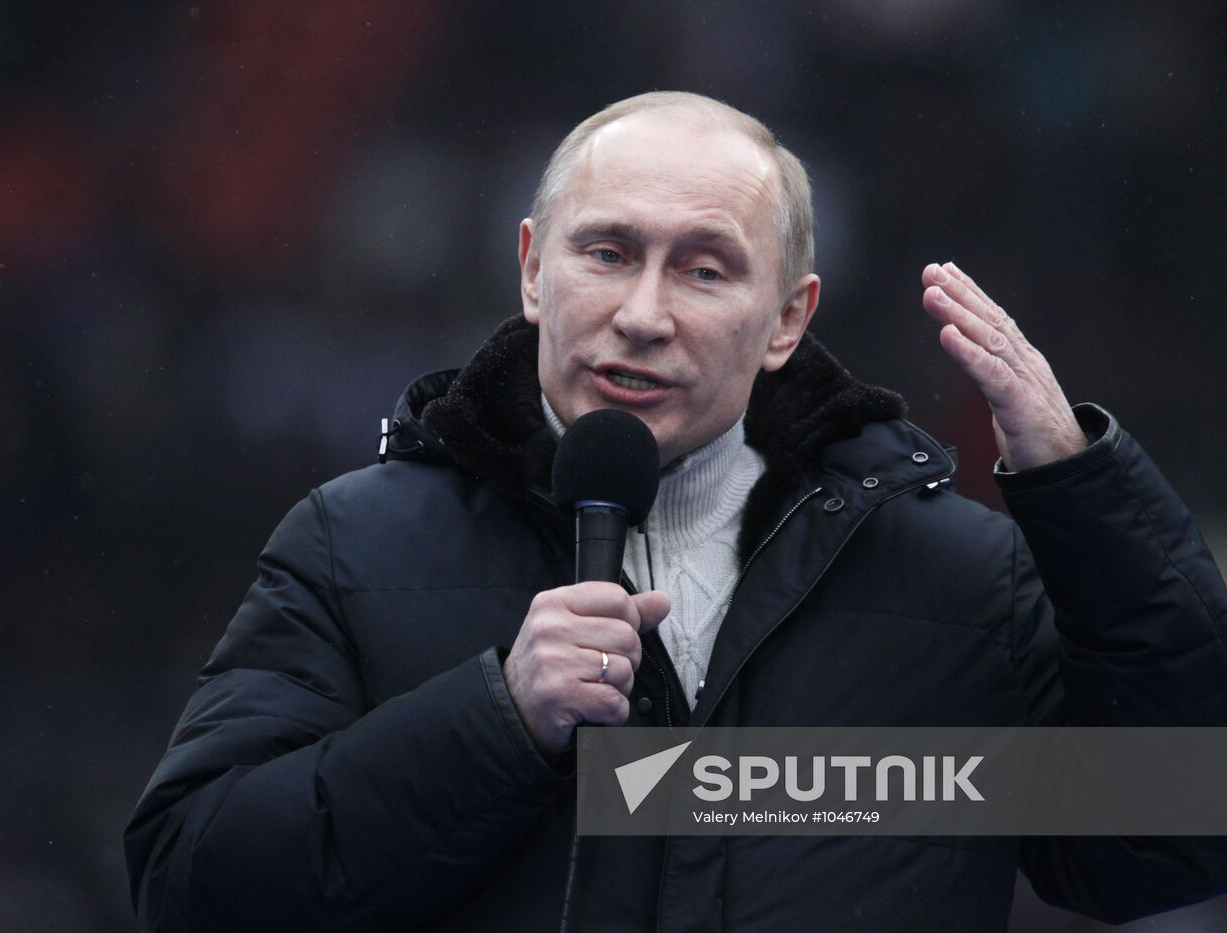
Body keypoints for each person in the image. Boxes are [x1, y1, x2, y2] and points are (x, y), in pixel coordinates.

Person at [124, 92, 1227, 931]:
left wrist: (1085, 491)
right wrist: (494, 720)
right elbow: (190, 882)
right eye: (605, 253)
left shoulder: (956, 575)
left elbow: (1172, 830)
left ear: (786, 318)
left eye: (704, 271)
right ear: (529, 271)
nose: (641, 314)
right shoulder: (353, 542)